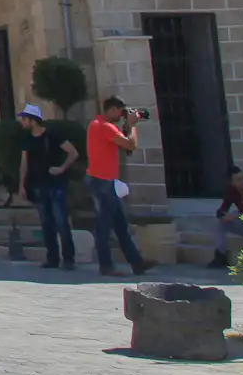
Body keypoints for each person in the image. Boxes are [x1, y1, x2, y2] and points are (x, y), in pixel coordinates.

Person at [84, 95, 153, 276]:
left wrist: (127, 125)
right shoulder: (105, 127)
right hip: (102, 182)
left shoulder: (96, 124)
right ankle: (106, 265)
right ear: (113, 109)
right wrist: (132, 126)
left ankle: (137, 263)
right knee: (104, 226)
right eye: (120, 112)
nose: (121, 116)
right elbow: (130, 145)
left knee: (121, 225)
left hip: (104, 181)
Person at [14, 104, 80, 269]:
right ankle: (52, 258)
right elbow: (24, 164)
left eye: (25, 119)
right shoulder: (27, 139)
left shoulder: (53, 135)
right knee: (46, 222)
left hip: (56, 184)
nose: (22, 122)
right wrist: (22, 185)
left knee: (61, 221)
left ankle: (68, 258)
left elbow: (73, 152)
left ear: (33, 120)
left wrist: (62, 168)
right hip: (38, 184)